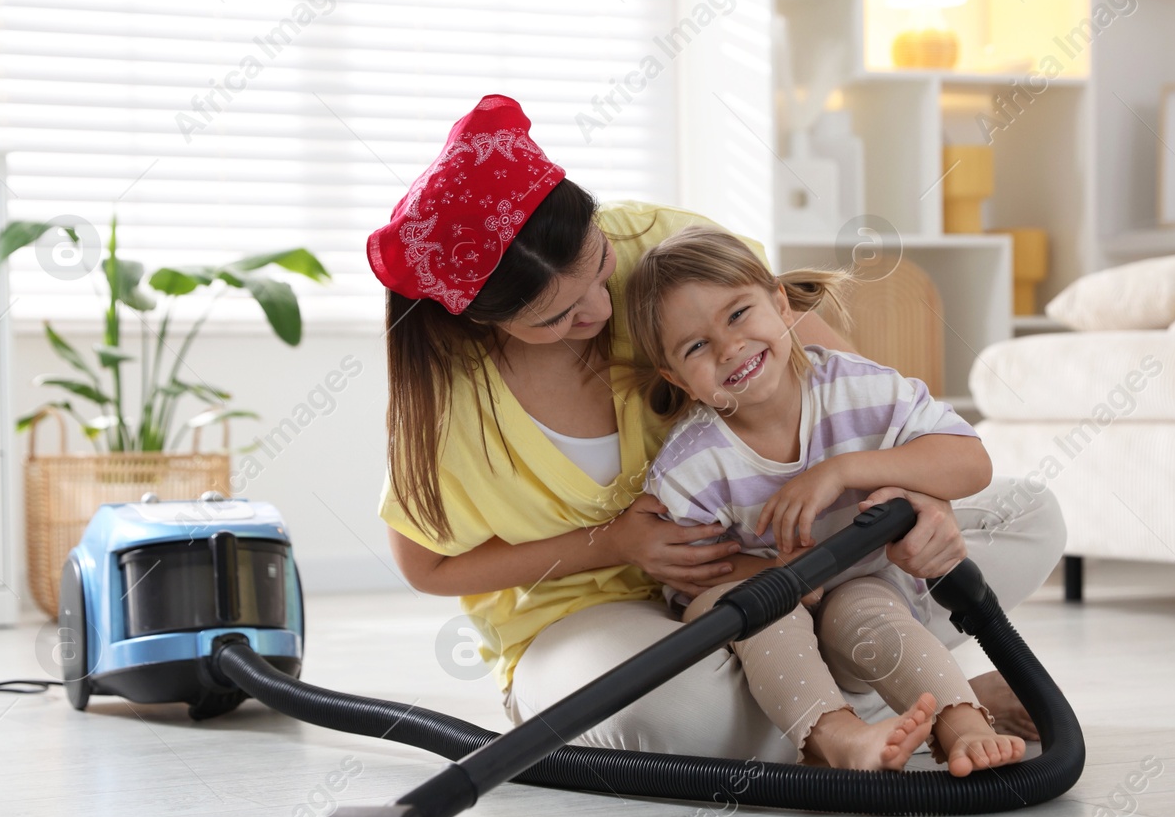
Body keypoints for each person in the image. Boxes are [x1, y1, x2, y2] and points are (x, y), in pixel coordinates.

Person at [370, 93, 1066, 764]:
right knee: (676, 710)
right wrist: (610, 543)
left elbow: (838, 381)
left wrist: (915, 496)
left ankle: (858, 689)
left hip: (815, 563)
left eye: (597, 267)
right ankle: (914, 694)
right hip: (599, 611)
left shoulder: (657, 247)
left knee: (1030, 515)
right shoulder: (448, 394)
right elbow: (426, 565)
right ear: (482, 320)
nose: (599, 309)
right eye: (557, 316)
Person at [625, 225, 1028, 774]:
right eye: (697, 346)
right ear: (678, 378)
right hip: (758, 608)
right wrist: (778, 574)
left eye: (739, 314)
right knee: (762, 606)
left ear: (780, 303)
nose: (730, 347)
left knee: (871, 609)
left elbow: (970, 462)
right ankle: (833, 738)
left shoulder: (858, 387)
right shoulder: (692, 463)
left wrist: (844, 470)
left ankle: (961, 722)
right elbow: (688, 575)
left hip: (860, 586)